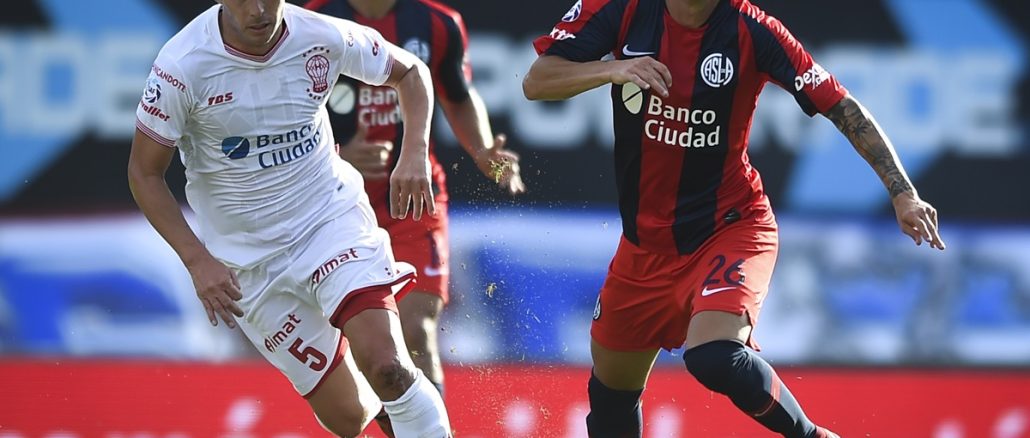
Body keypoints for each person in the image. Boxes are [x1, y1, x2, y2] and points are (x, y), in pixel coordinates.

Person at [523, 0, 945, 436]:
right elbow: (537, 81)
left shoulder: (753, 28)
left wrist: (903, 192)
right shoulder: (622, 11)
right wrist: (611, 69)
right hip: (644, 247)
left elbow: (840, 105)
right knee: (611, 399)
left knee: (713, 356)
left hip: (731, 228)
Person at [126, 1, 452, 436]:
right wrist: (196, 259)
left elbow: (411, 72)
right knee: (349, 416)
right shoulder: (182, 65)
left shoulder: (319, 34)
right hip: (250, 265)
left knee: (388, 366)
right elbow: (144, 172)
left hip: (328, 222)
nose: (260, 11)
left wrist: (413, 152)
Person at [304, 0, 526, 401]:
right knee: (366, 349)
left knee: (415, 330)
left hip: (413, 199)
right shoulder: (312, 20)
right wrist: (336, 153)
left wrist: (482, 151)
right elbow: (283, 118)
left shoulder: (438, 23)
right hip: (334, 205)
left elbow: (458, 95)